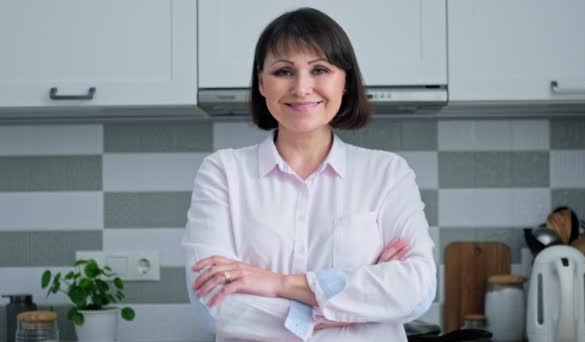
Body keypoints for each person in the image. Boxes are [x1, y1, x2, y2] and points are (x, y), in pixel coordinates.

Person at [182, 7, 436, 341]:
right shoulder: (223, 173)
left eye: (320, 69)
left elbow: (415, 293)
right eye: (284, 71)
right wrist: (359, 305)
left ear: (345, 81)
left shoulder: (388, 173)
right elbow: (213, 304)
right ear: (261, 82)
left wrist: (277, 284)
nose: (302, 88)